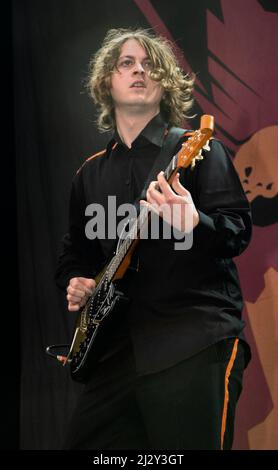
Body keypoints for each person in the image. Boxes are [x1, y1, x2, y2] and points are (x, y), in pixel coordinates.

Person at [55, 27, 252, 450]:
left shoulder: (199, 149)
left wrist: (195, 223)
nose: (139, 71)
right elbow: (75, 253)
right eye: (126, 63)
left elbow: (238, 232)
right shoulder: (89, 174)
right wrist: (77, 281)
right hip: (115, 356)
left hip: (192, 342)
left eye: (150, 66)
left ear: (166, 84)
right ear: (108, 80)